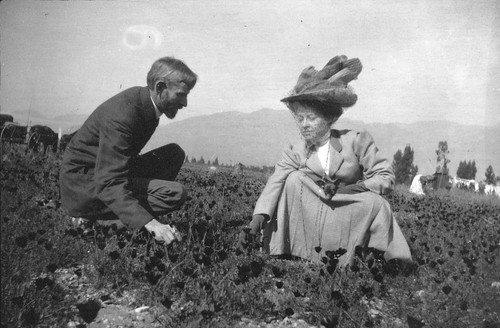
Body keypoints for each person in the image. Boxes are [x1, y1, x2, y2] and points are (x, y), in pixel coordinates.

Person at [239, 55, 411, 266]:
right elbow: (275, 181)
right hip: (310, 213)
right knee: (292, 179)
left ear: (329, 118)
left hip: (345, 211)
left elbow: (385, 177)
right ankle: (291, 250)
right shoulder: (295, 150)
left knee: (378, 203)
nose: (304, 125)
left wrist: (356, 189)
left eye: (311, 118)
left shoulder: (356, 141)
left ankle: (380, 259)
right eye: (300, 119)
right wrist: (258, 218)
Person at [60, 57, 197, 245]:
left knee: (174, 154)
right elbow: (108, 181)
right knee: (175, 193)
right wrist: (152, 224)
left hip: (99, 175)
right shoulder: (124, 115)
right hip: (84, 187)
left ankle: (126, 216)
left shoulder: (147, 106)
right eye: (180, 94)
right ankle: (95, 224)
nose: (185, 103)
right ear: (159, 87)